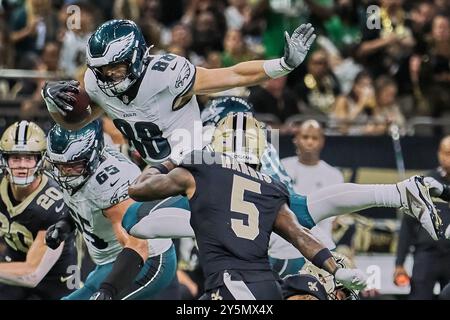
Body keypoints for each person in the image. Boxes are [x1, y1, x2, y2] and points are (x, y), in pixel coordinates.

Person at [123, 97, 444, 252]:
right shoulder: (253, 136)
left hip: (231, 216)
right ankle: (398, 193)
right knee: (304, 209)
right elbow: (282, 189)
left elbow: (146, 199)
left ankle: (399, 193)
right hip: (255, 216)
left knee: (138, 220)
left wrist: (164, 164)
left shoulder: (205, 137)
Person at [126, 113, 367, 300]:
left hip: (231, 286)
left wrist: (168, 162)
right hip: (266, 288)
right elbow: (299, 235)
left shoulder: (201, 171)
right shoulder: (272, 186)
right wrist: (336, 270)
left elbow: (137, 190)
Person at [41, 19, 316, 167]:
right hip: (151, 169)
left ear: (135, 57)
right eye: (102, 70)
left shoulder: (167, 74)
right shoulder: (94, 81)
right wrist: (52, 103)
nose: (108, 77)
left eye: (116, 68)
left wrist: (283, 64)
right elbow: (74, 123)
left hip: (194, 168)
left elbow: (233, 74)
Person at [44, 120, 176, 300]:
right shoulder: (81, 168)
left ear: (93, 156)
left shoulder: (109, 185)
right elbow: (86, 204)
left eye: (73, 165)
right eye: (60, 166)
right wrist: (64, 225)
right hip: (111, 261)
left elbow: (138, 245)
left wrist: (108, 289)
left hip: (147, 260)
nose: (65, 172)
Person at [0, 120, 77, 299]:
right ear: (5, 160)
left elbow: (32, 274)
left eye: (29, 157)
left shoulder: (54, 200)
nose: (22, 165)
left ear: (40, 159)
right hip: (11, 267)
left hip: (56, 280)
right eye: (15, 157)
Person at [395, 136, 450, 299]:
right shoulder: (425, 184)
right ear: (439, 154)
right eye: (447, 153)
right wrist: (399, 263)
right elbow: (407, 226)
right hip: (426, 256)